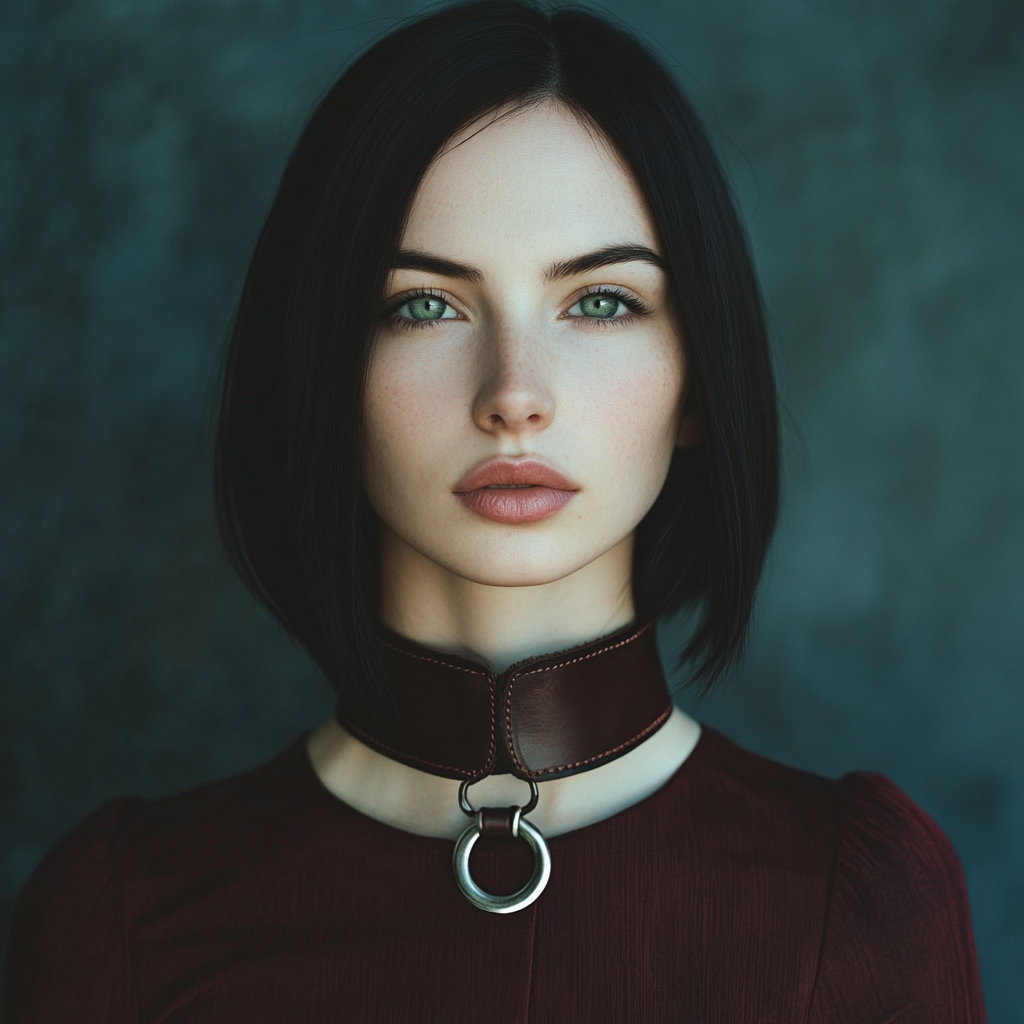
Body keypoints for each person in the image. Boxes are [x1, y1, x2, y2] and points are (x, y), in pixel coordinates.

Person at [3, 2, 986, 1020]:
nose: (514, 393)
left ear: (698, 378)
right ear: (322, 369)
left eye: (600, 301)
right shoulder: (119, 916)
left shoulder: (861, 899)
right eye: (423, 304)